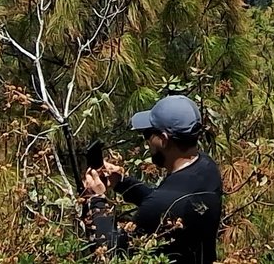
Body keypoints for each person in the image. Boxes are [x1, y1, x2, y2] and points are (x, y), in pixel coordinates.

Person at [82, 93, 225, 264]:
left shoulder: (161, 204)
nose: (146, 142)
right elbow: (168, 202)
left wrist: (96, 200)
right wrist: (122, 182)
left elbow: (112, 255)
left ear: (163, 140)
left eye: (148, 134)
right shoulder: (208, 168)